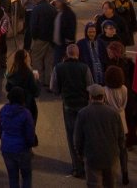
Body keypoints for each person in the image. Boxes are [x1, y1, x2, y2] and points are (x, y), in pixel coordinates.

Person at [74, 84, 126, 187]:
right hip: (111, 157)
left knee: (94, 184)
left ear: (90, 97)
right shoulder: (114, 113)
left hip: (92, 157)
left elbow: (78, 138)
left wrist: (80, 153)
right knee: (110, 184)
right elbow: (121, 136)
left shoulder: (83, 113)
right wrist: (119, 152)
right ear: (104, 97)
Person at [53, 44, 92, 179]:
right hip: (83, 105)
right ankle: (87, 164)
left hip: (68, 105)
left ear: (67, 54)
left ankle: (77, 167)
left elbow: (54, 88)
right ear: (78, 54)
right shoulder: (84, 68)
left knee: (71, 136)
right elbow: (90, 86)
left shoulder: (58, 68)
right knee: (85, 135)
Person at [0, 86, 37, 188]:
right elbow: (30, 133)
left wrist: (3, 139)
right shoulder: (25, 113)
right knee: (26, 176)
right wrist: (31, 144)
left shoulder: (3, 110)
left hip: (7, 148)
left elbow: (0, 128)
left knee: (13, 177)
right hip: (22, 149)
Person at [103, 66, 130, 184]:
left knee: (110, 150)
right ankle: (125, 172)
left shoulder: (104, 90)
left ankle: (110, 174)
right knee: (123, 150)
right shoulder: (124, 89)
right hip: (122, 122)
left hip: (109, 123)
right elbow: (124, 104)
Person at [28, 0, 57, 87]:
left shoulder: (36, 9)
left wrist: (34, 36)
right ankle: (48, 81)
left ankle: (37, 80)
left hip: (40, 39)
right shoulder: (53, 9)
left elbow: (33, 25)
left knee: (36, 60)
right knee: (49, 62)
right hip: (51, 39)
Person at [5, 48, 42, 122]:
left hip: (14, 106)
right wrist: (37, 80)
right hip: (28, 105)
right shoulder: (28, 73)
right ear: (26, 59)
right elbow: (36, 92)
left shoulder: (11, 73)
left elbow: (7, 88)